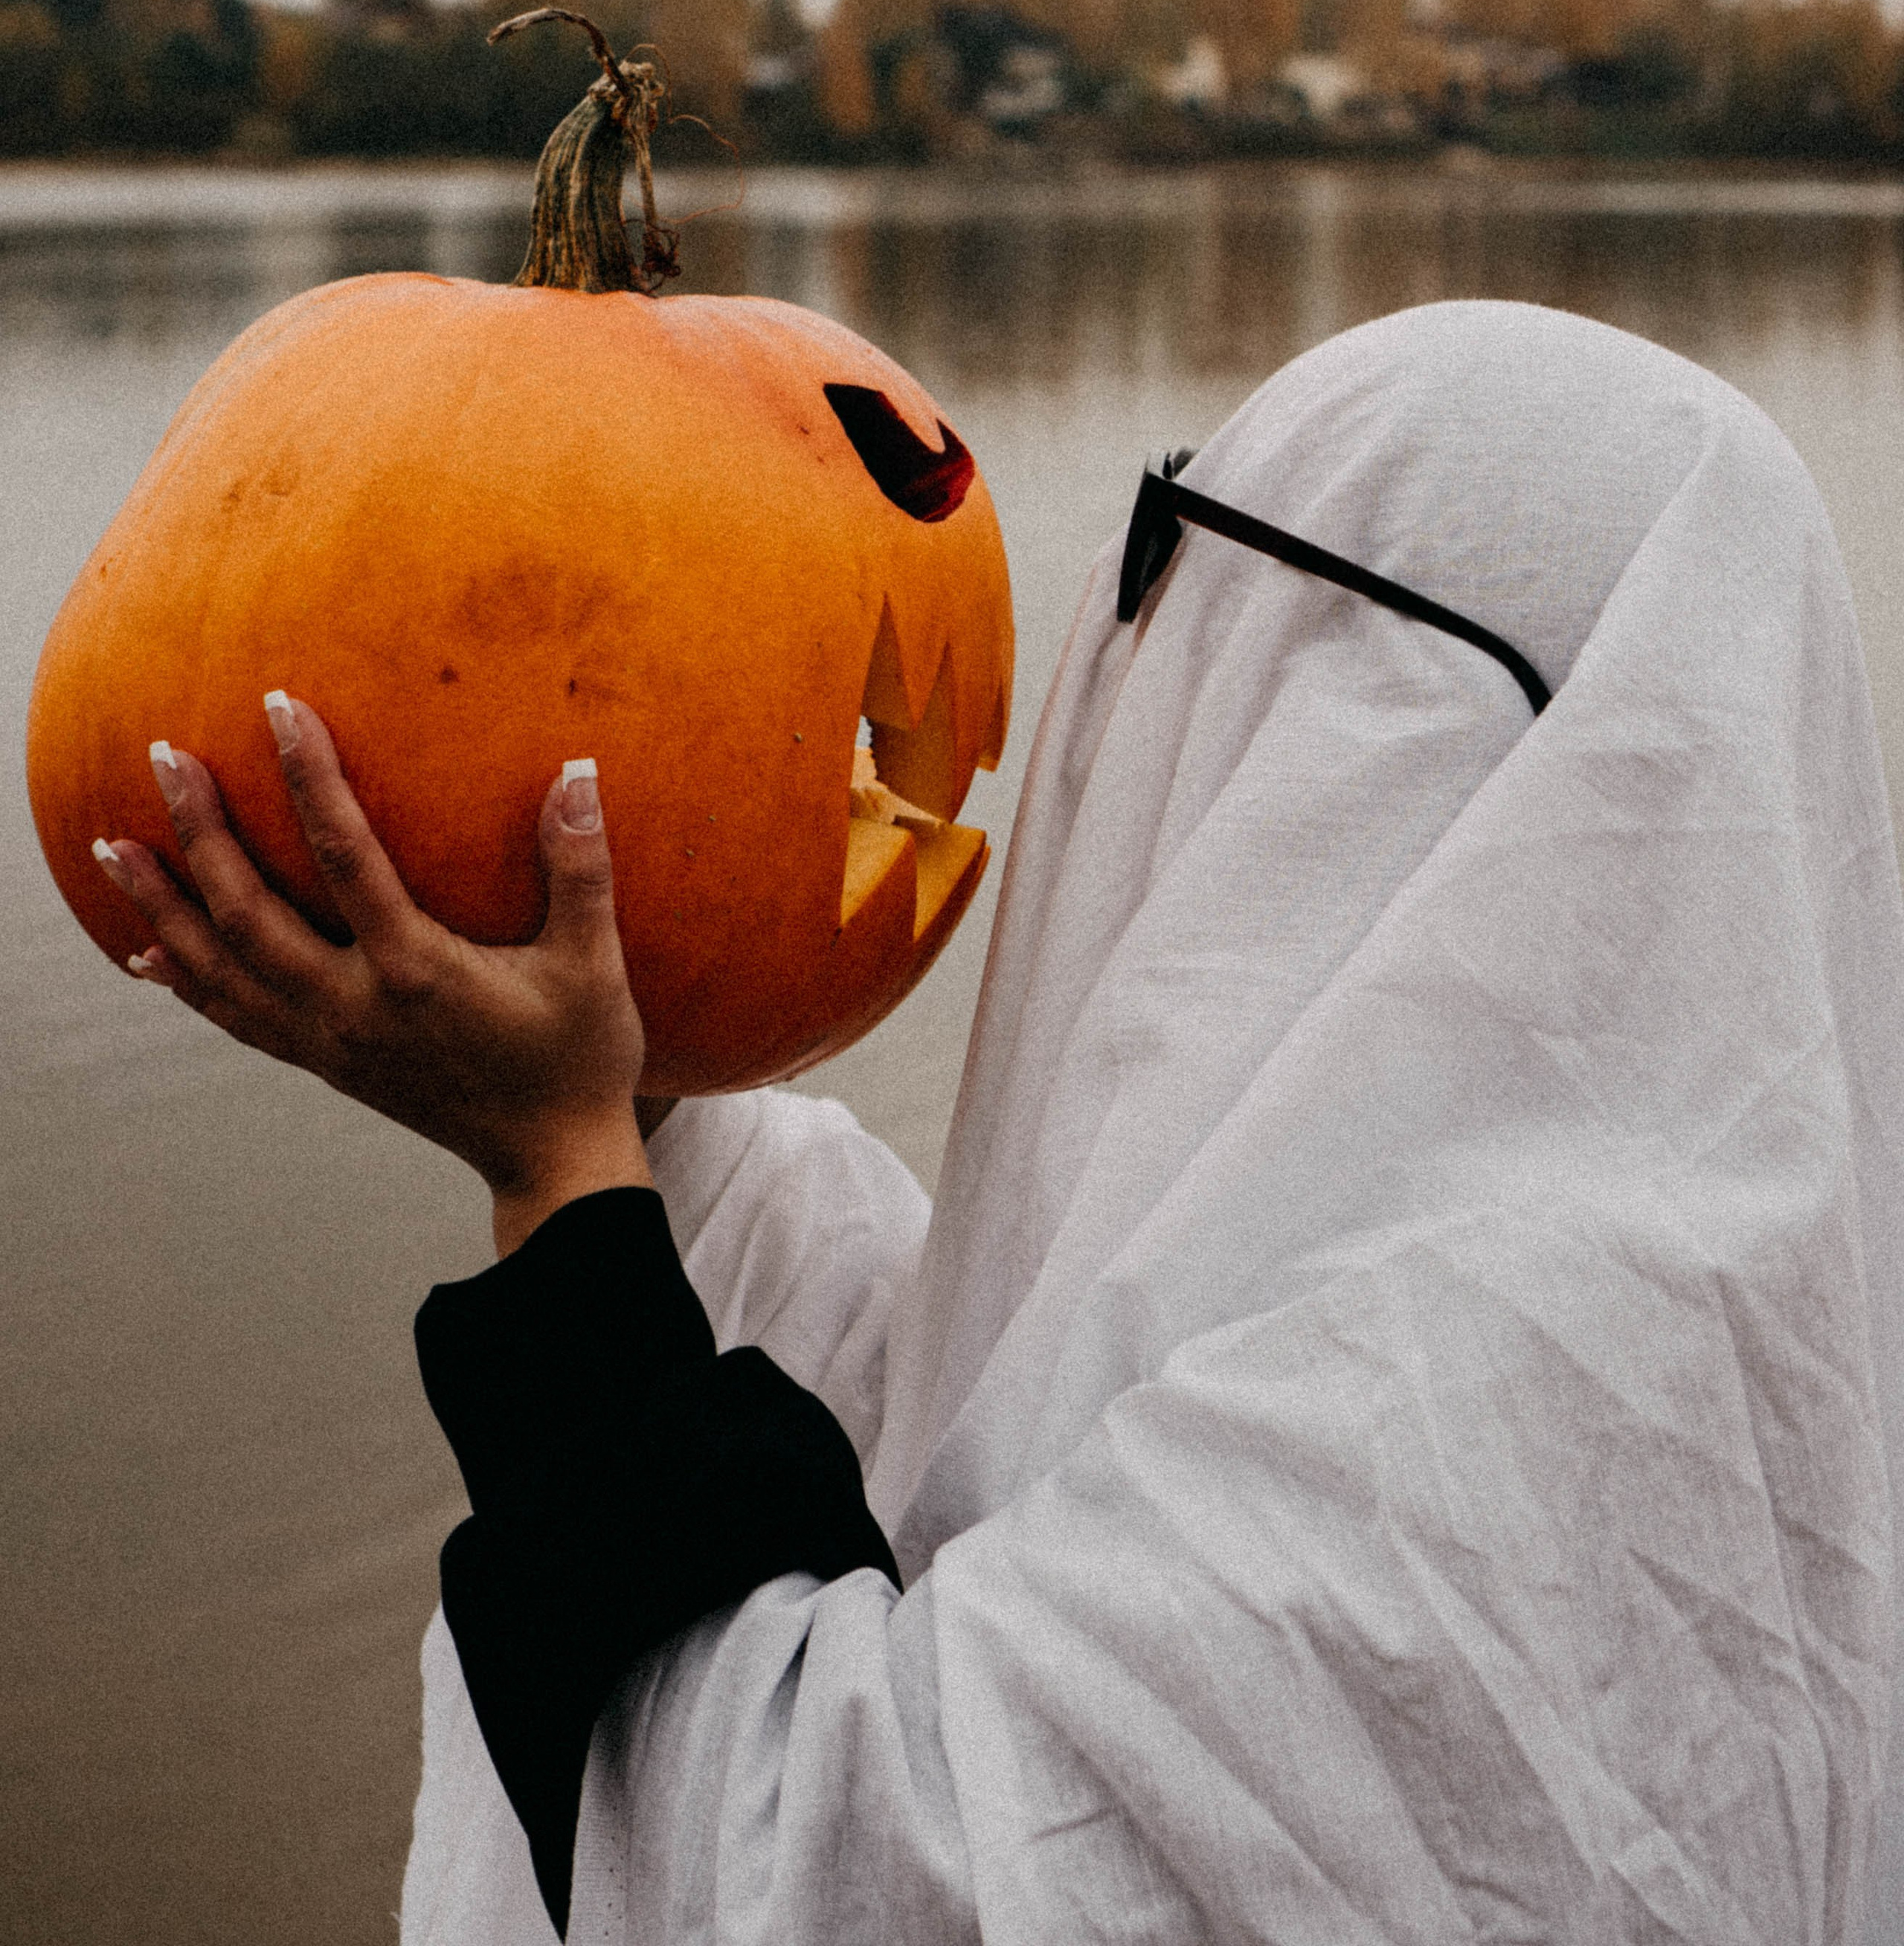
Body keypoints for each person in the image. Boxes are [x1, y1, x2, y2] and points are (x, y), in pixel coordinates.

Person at [94, 300, 1904, 1946]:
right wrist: (602, 1088)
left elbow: (844, 1873)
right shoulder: (1675, 1294)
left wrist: (565, 1187)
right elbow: (979, 1431)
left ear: (1356, 712)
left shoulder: (1464, 1410)